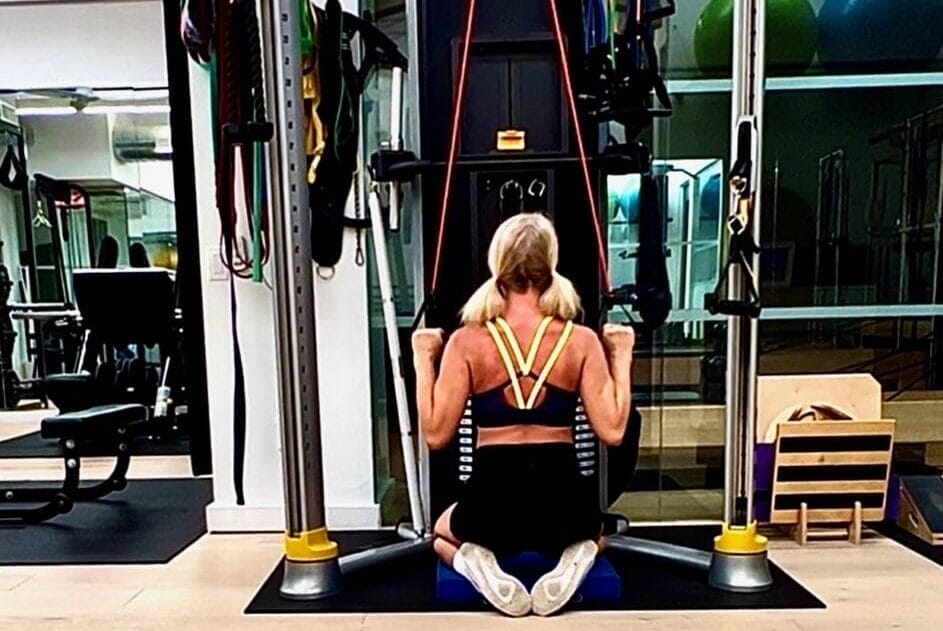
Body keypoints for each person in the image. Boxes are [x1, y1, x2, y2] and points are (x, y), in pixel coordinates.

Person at [412, 213, 634, 617]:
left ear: (497, 263)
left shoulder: (467, 341)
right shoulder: (580, 340)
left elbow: (435, 434)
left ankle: (478, 563)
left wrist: (423, 358)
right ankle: (578, 555)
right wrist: (621, 354)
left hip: (492, 498)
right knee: (597, 534)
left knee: (441, 533)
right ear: (550, 264)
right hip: (563, 497)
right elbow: (614, 429)